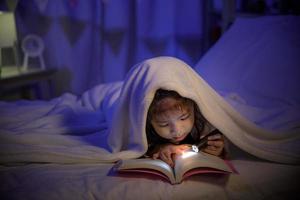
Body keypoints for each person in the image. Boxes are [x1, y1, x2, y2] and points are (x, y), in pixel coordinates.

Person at [145, 89, 225, 167]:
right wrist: (158, 149)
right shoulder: (145, 131)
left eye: (184, 118)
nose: (177, 131)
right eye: (164, 124)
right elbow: (139, 149)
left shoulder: (203, 124)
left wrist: (217, 151)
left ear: (194, 108)